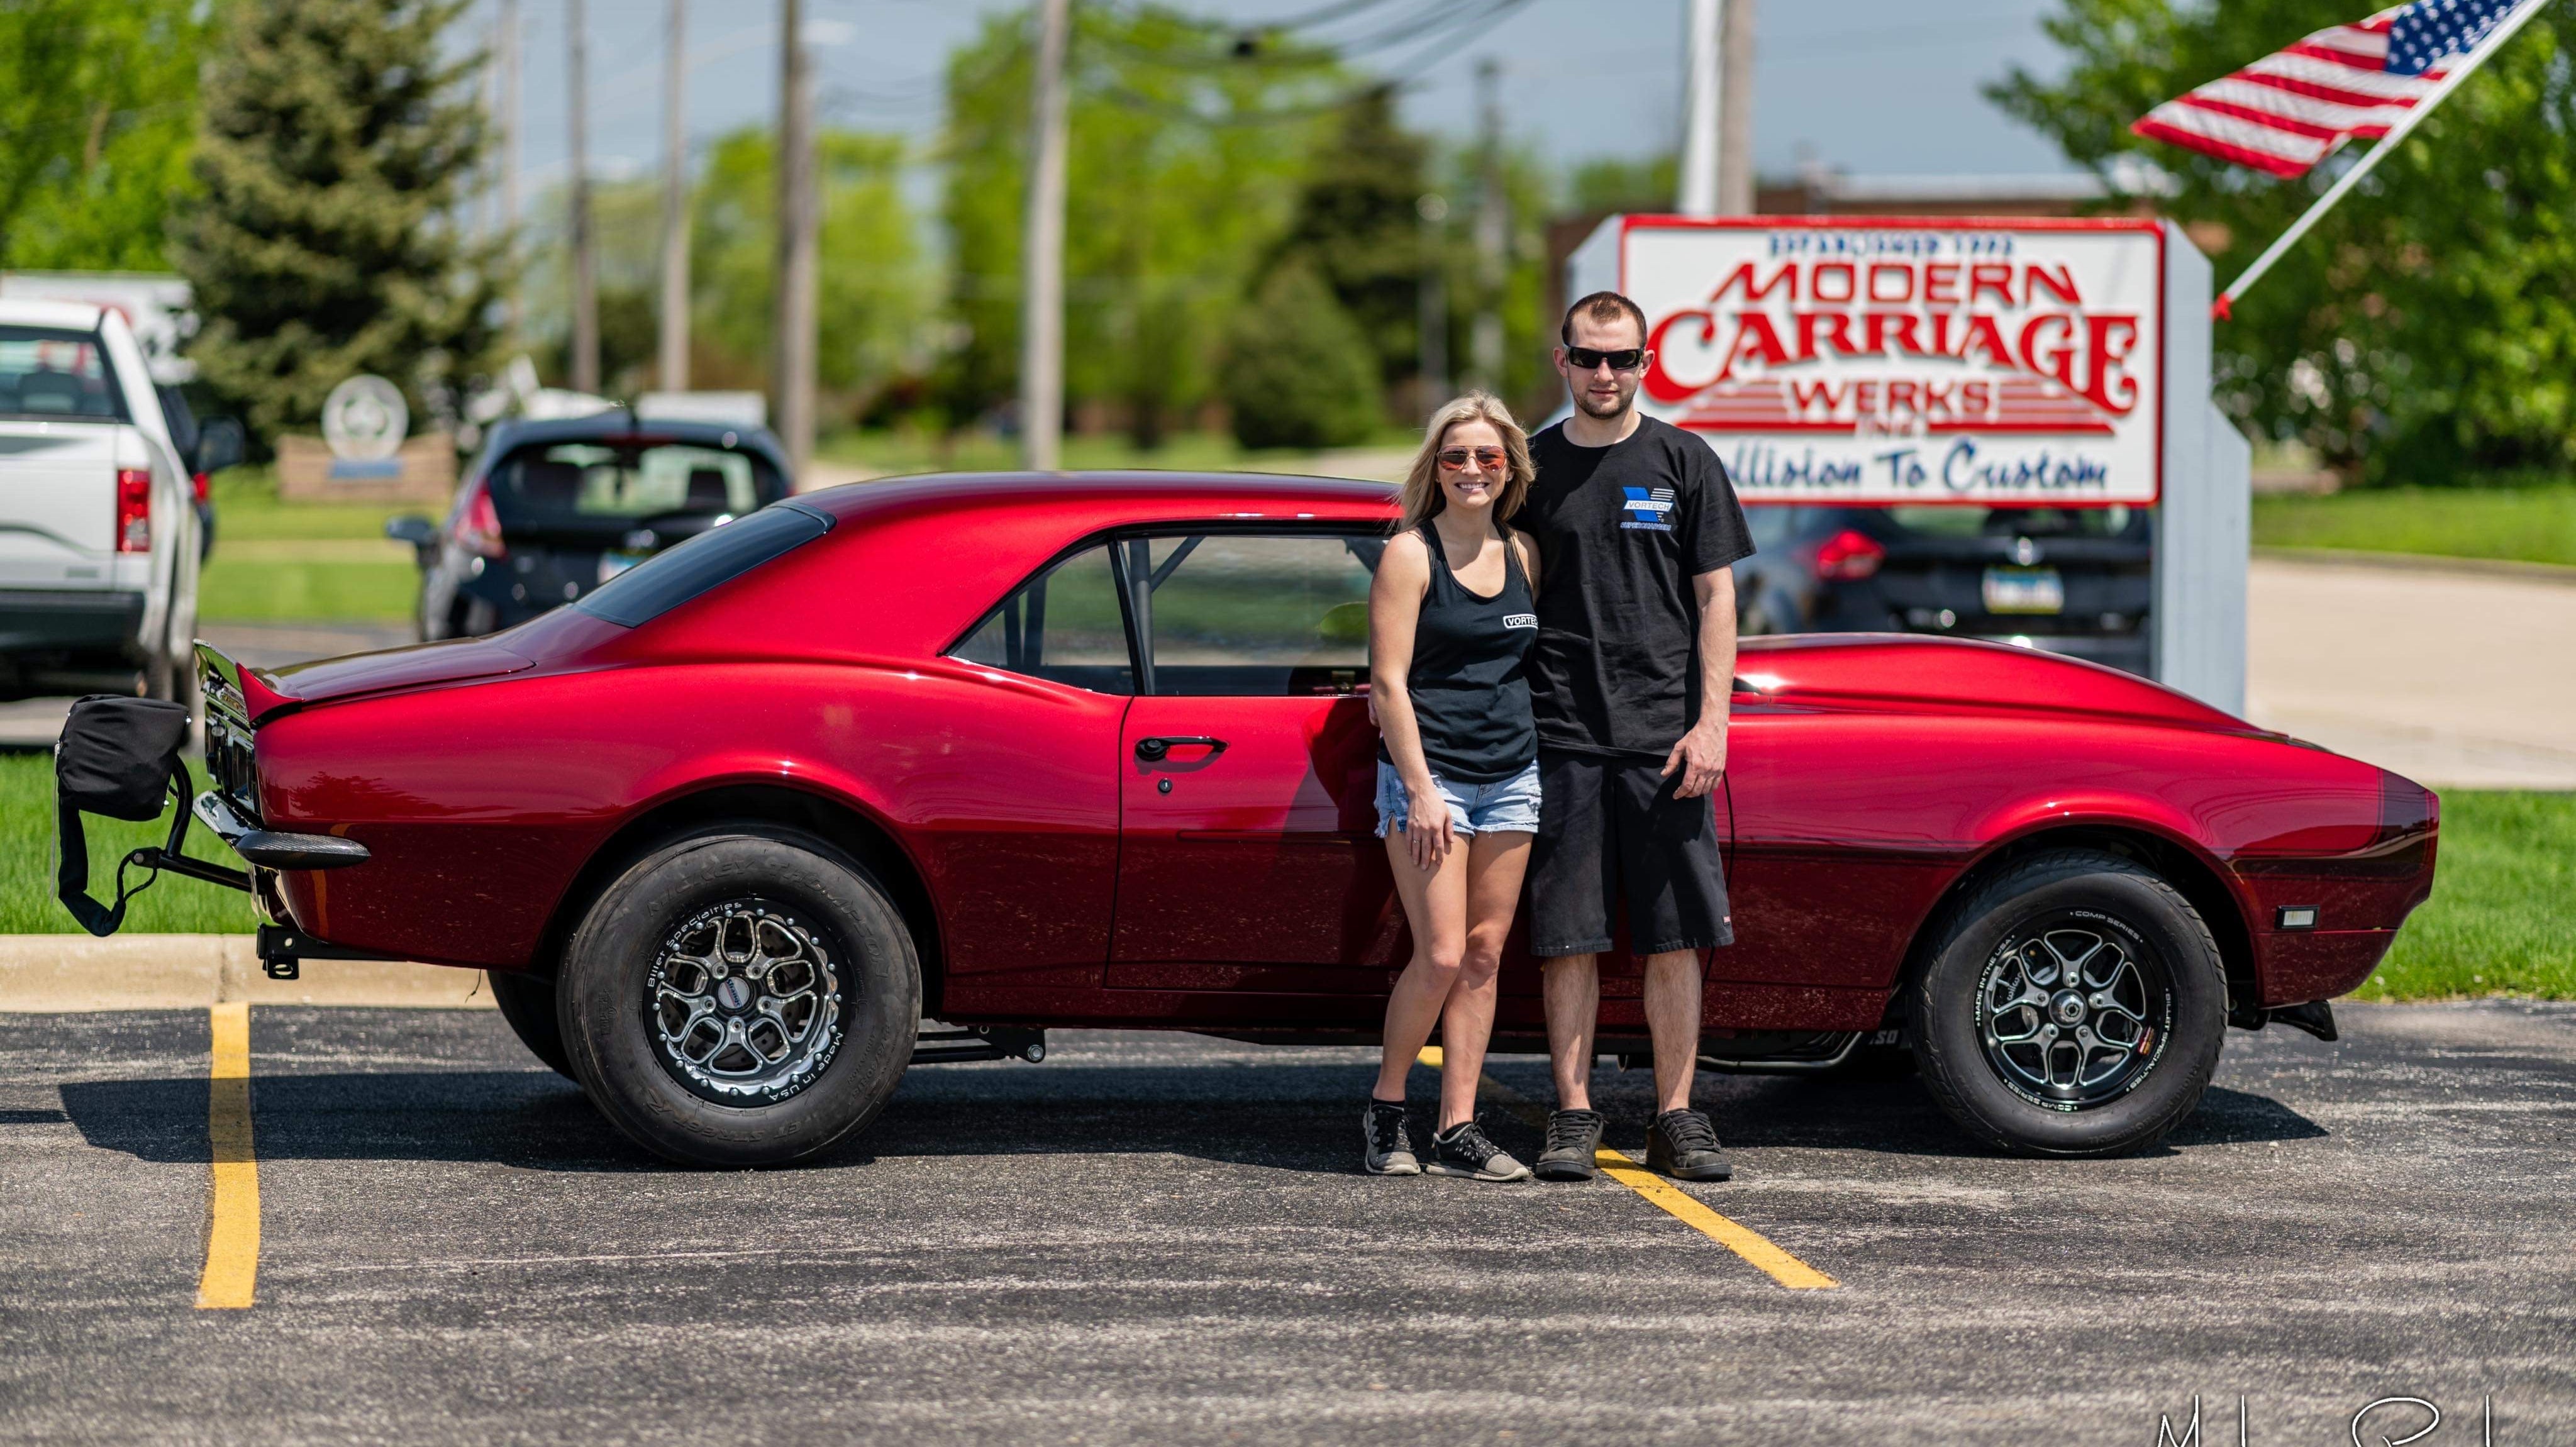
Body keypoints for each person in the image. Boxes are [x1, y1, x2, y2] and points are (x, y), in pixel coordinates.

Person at [1520, 292, 1755, 1184]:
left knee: (1672, 936)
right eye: (1590, 358)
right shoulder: (1531, 470)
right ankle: (1573, 1114)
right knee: (1568, 935)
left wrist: (1712, 724)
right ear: (1563, 360)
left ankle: (1676, 1116)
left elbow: (1715, 601)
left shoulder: (1684, 460)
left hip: (1667, 740)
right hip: (1562, 735)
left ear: (1647, 363)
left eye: (1622, 359)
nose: (1606, 374)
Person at [1360, 392, 1545, 1183]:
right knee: (1436, 954)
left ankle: (1458, 1127)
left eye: (1488, 457)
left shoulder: (1526, 554)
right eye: (1456, 457)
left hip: (1513, 776)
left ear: (1509, 469)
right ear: (1434, 468)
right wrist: (1422, 788)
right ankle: (1385, 1111)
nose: (1472, 469)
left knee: (1482, 954)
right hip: (1429, 781)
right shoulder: (1409, 553)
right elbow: (1387, 685)